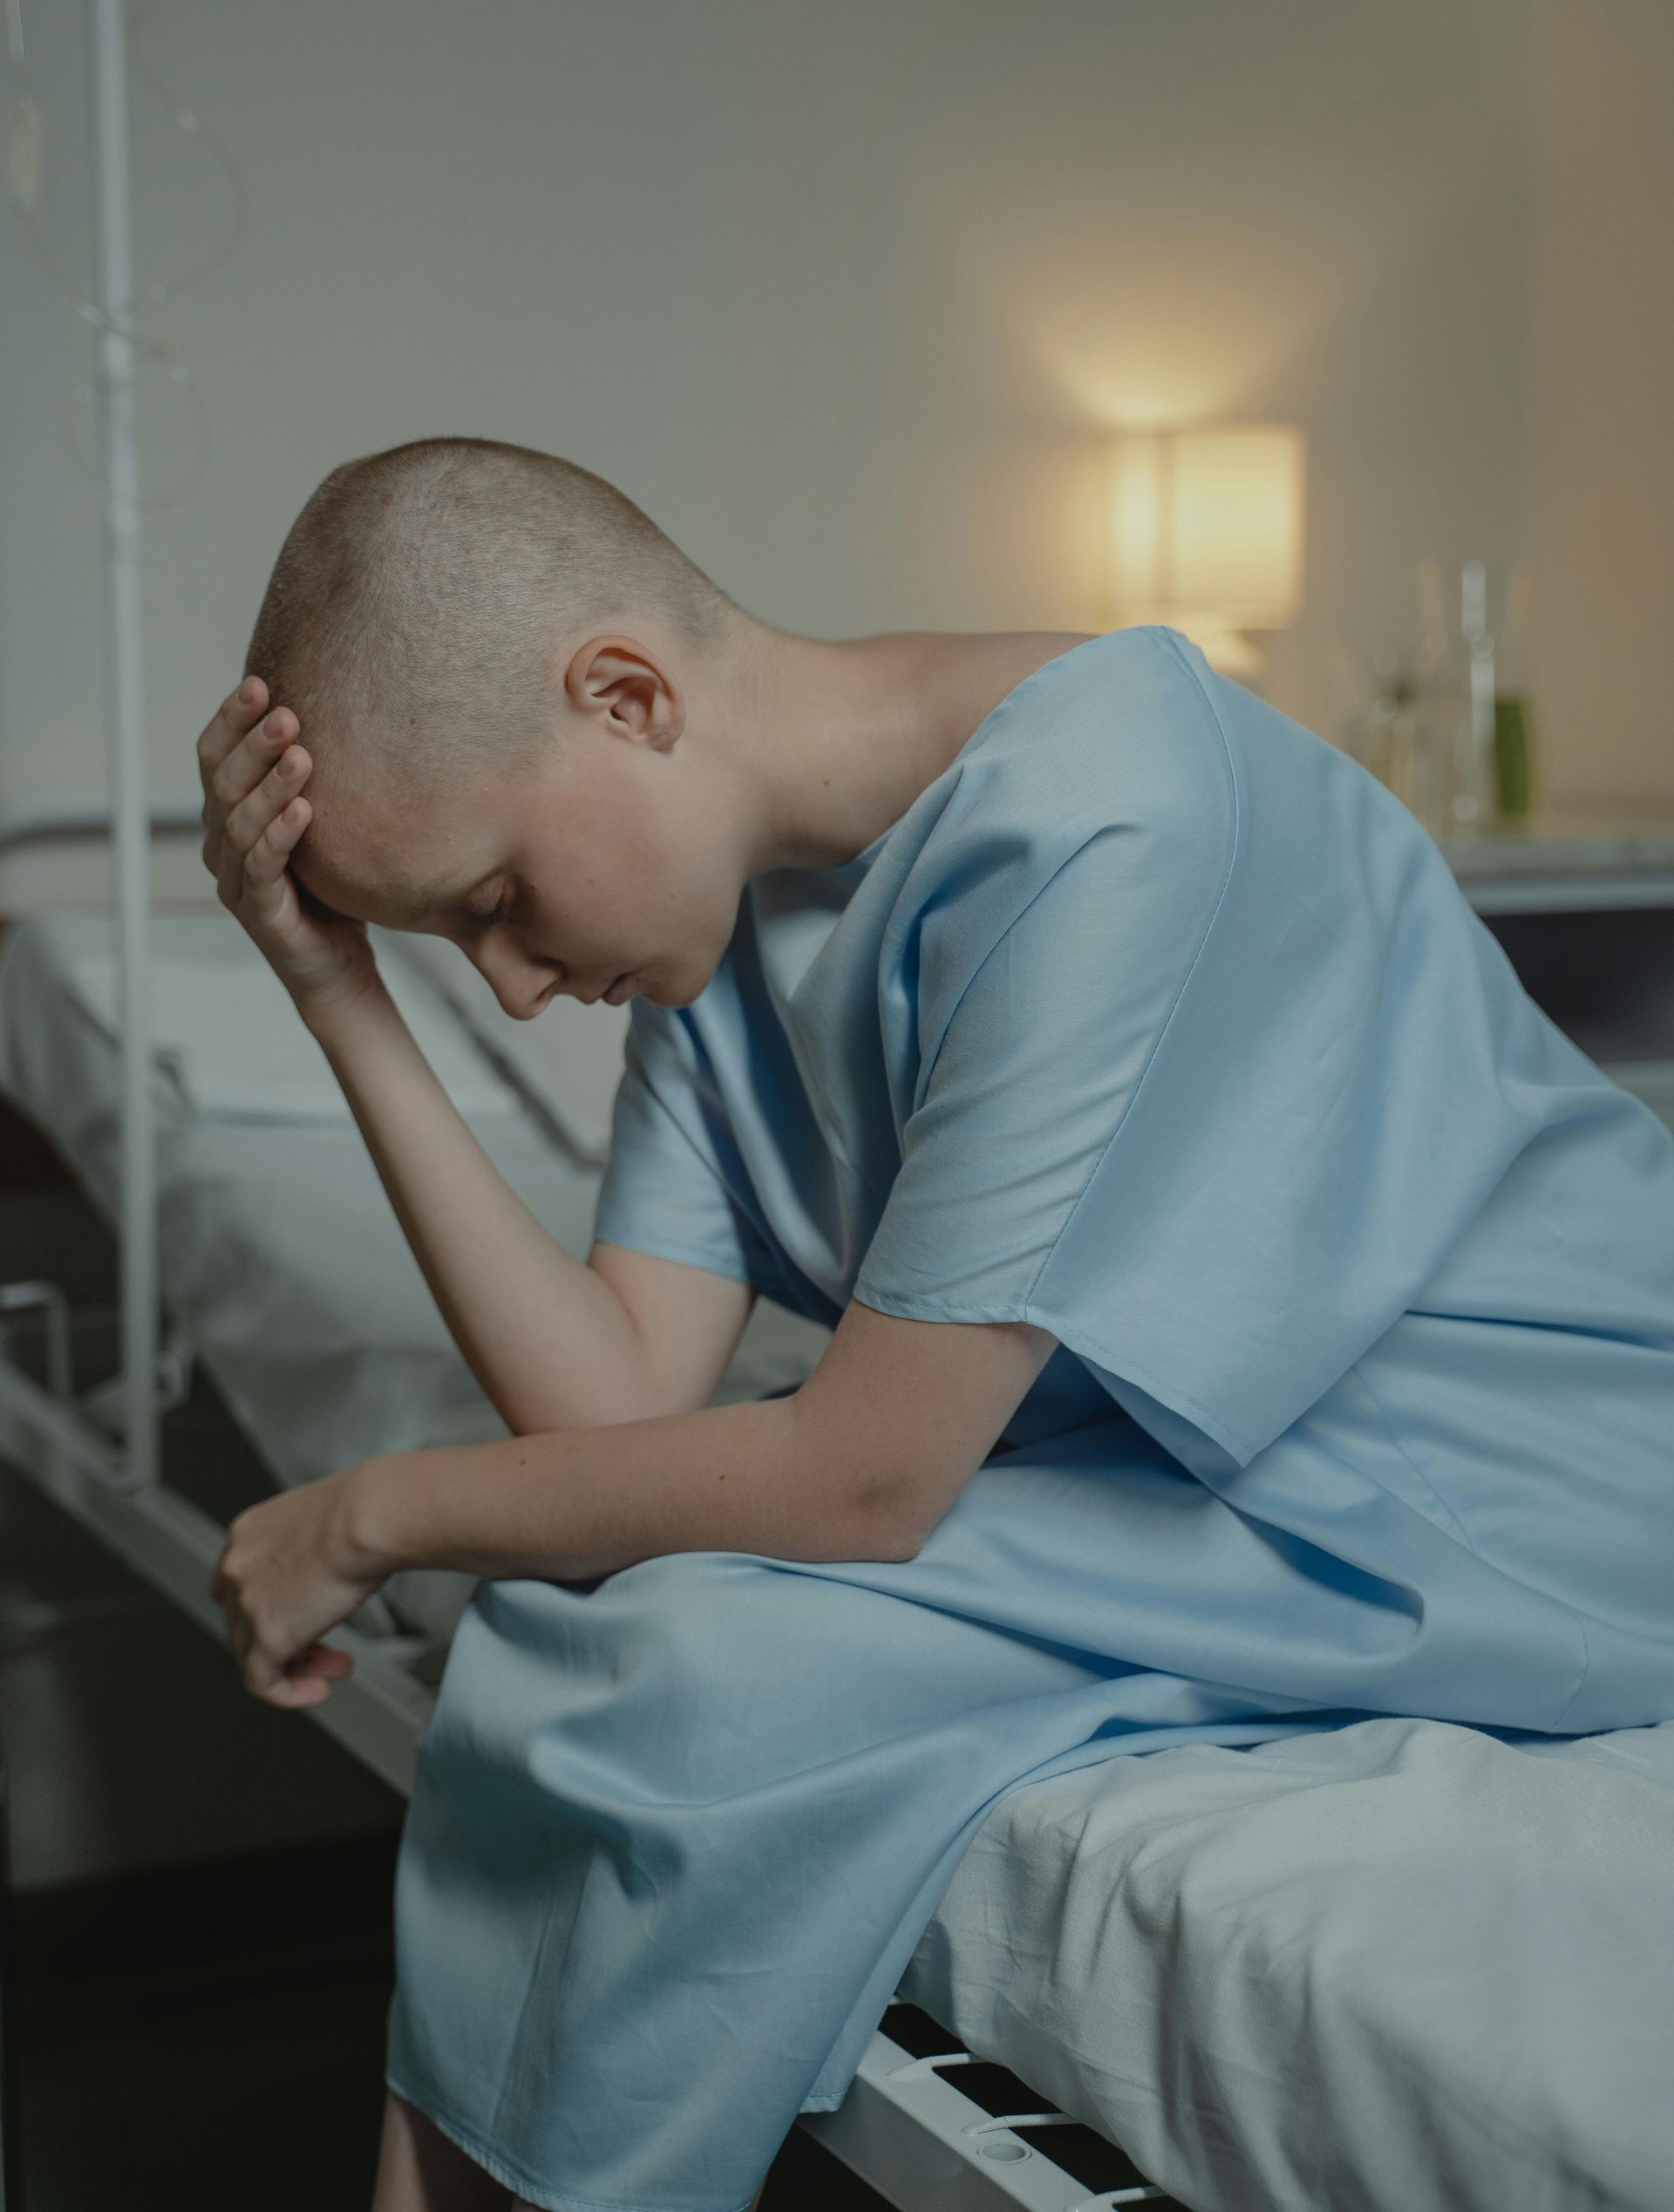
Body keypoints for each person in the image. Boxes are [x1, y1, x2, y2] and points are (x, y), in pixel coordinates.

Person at [200, 436, 1674, 2212]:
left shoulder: (1117, 815)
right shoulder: (726, 930)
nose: (509, 990)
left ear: (625, 695)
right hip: (1249, 1481)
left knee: (639, 1667)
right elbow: (607, 1413)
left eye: (497, 905)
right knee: (597, 1622)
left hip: (1519, 1468)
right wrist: (332, 984)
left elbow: (862, 1486)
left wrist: (369, 1513)